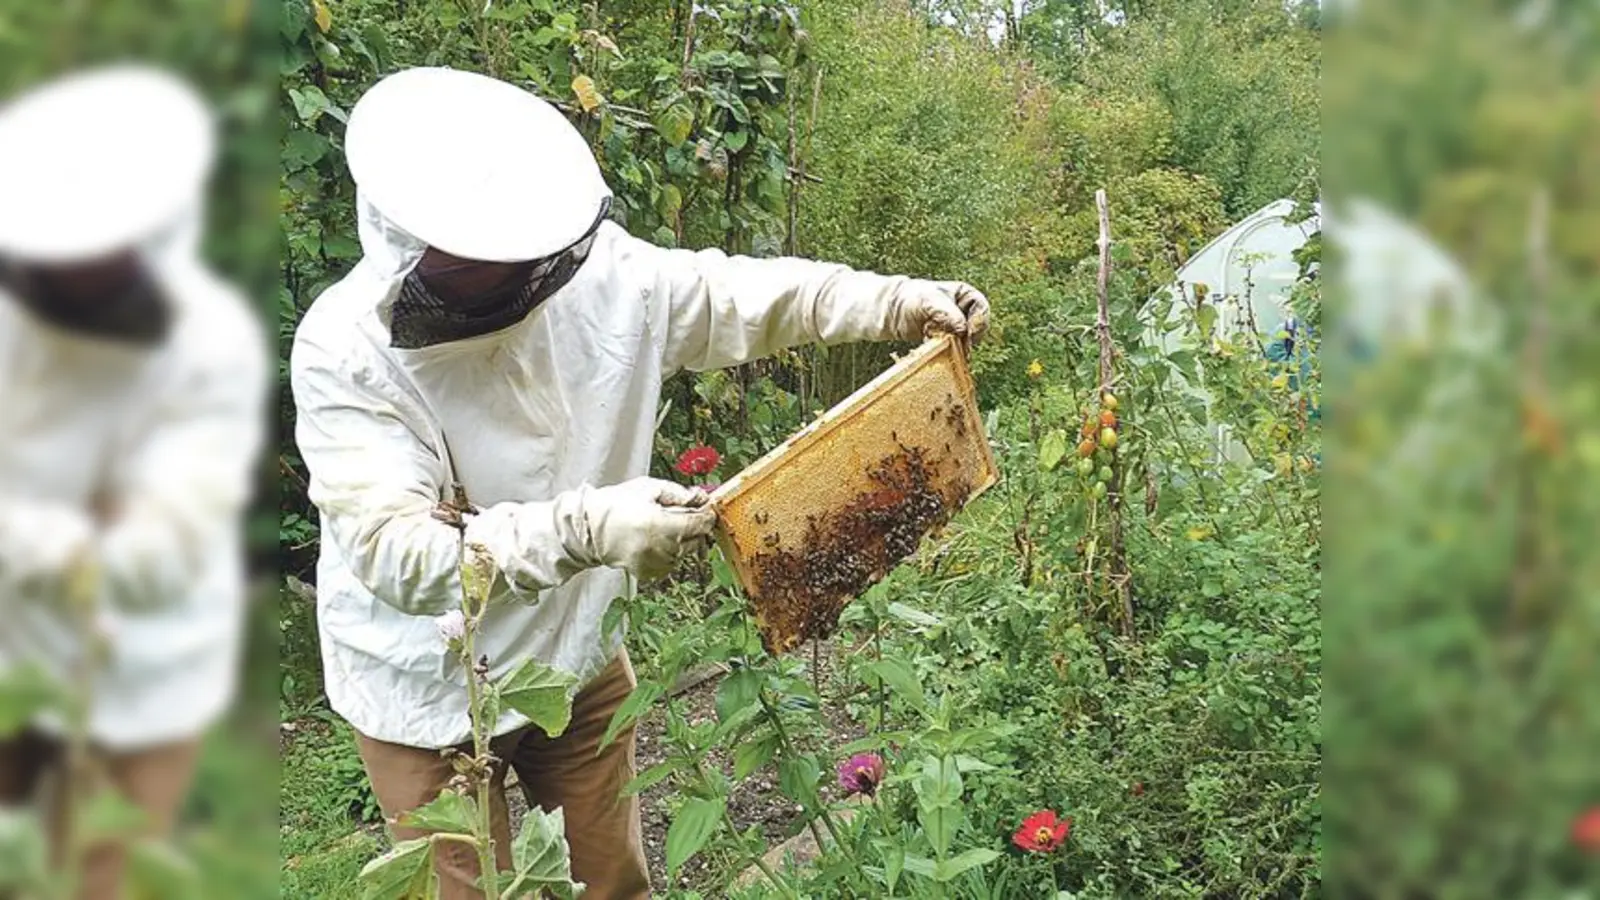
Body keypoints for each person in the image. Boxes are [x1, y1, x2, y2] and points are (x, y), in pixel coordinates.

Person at [290, 65, 990, 900]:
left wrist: (891, 301)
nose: (504, 266)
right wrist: (587, 529)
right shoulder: (345, 350)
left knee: (609, 879)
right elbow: (394, 550)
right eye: (471, 253)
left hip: (574, 649)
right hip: (429, 685)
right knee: (464, 891)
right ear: (408, 240)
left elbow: (740, 296)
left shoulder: (603, 275)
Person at [0, 65, 269, 897]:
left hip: (145, 669)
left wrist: (45, 535)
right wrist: (76, 526)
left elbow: (155, 555)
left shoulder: (210, 343)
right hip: (14, 646)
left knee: (99, 880)